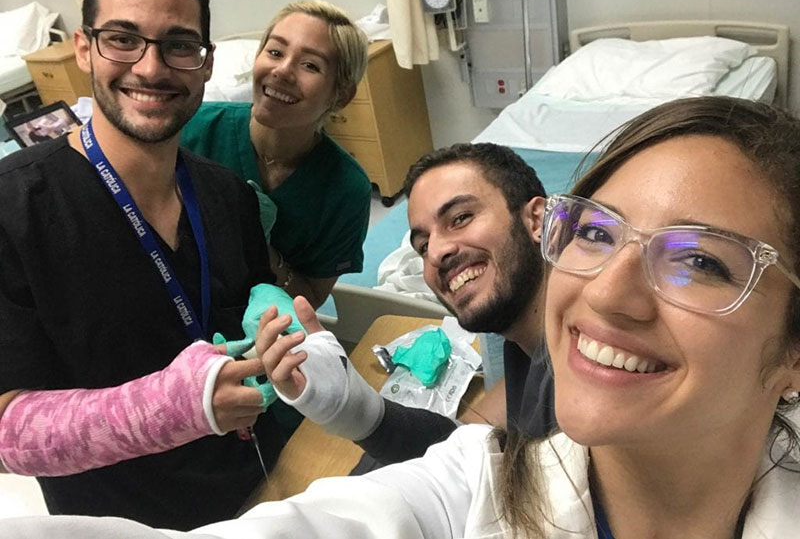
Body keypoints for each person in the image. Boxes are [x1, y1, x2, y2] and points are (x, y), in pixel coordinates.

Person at [7, 95, 798, 538]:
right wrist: (346, 404)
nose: (608, 292)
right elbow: (475, 460)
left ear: (534, 219)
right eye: (597, 231)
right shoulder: (518, 374)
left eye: (700, 260)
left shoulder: (564, 378)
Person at [0, 0, 285, 530]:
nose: (151, 68)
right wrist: (176, 408)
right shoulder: (13, 210)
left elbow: (251, 310)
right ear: (84, 48)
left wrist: (276, 325)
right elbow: (8, 429)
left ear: (205, 61)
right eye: (123, 38)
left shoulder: (228, 196)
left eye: (179, 45)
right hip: (125, 521)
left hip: (262, 484)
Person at [260, 143, 556, 467]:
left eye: (460, 218)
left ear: (536, 219)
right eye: (423, 244)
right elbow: (470, 443)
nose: (437, 252)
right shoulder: (524, 344)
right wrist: (349, 406)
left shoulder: (586, 379)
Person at [181, 0, 372, 309]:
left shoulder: (346, 189)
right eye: (275, 52)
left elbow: (309, 300)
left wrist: (257, 244)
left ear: (341, 95)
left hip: (270, 326)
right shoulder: (192, 130)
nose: (282, 71)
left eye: (310, 65)